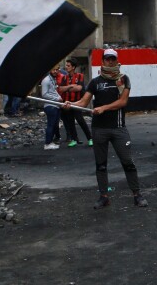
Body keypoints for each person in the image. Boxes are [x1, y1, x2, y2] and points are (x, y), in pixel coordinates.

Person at [66, 49, 148, 209]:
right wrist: (69, 104)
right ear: (103, 61)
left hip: (118, 129)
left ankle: (137, 195)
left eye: (113, 59)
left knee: (128, 162)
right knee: (101, 165)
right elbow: (83, 102)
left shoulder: (123, 79)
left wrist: (104, 107)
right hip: (99, 129)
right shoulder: (95, 82)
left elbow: (123, 102)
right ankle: (104, 196)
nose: (110, 62)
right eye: (107, 59)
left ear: (117, 61)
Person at [57, 59, 93, 147]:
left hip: (77, 102)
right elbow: (61, 89)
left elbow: (79, 88)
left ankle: (90, 138)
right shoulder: (64, 77)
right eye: (66, 65)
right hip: (67, 102)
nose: (66, 67)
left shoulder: (80, 76)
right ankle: (74, 139)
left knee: (80, 120)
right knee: (70, 121)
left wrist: (67, 88)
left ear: (73, 67)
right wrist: (71, 86)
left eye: (68, 66)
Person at [40, 65, 62, 150]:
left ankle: (50, 142)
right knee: (51, 124)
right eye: (54, 69)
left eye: (57, 69)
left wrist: (58, 98)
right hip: (50, 106)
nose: (56, 71)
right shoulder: (46, 80)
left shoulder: (52, 79)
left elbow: (53, 91)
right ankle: (47, 143)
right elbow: (44, 94)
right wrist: (57, 98)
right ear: (50, 70)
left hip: (55, 105)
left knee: (54, 125)